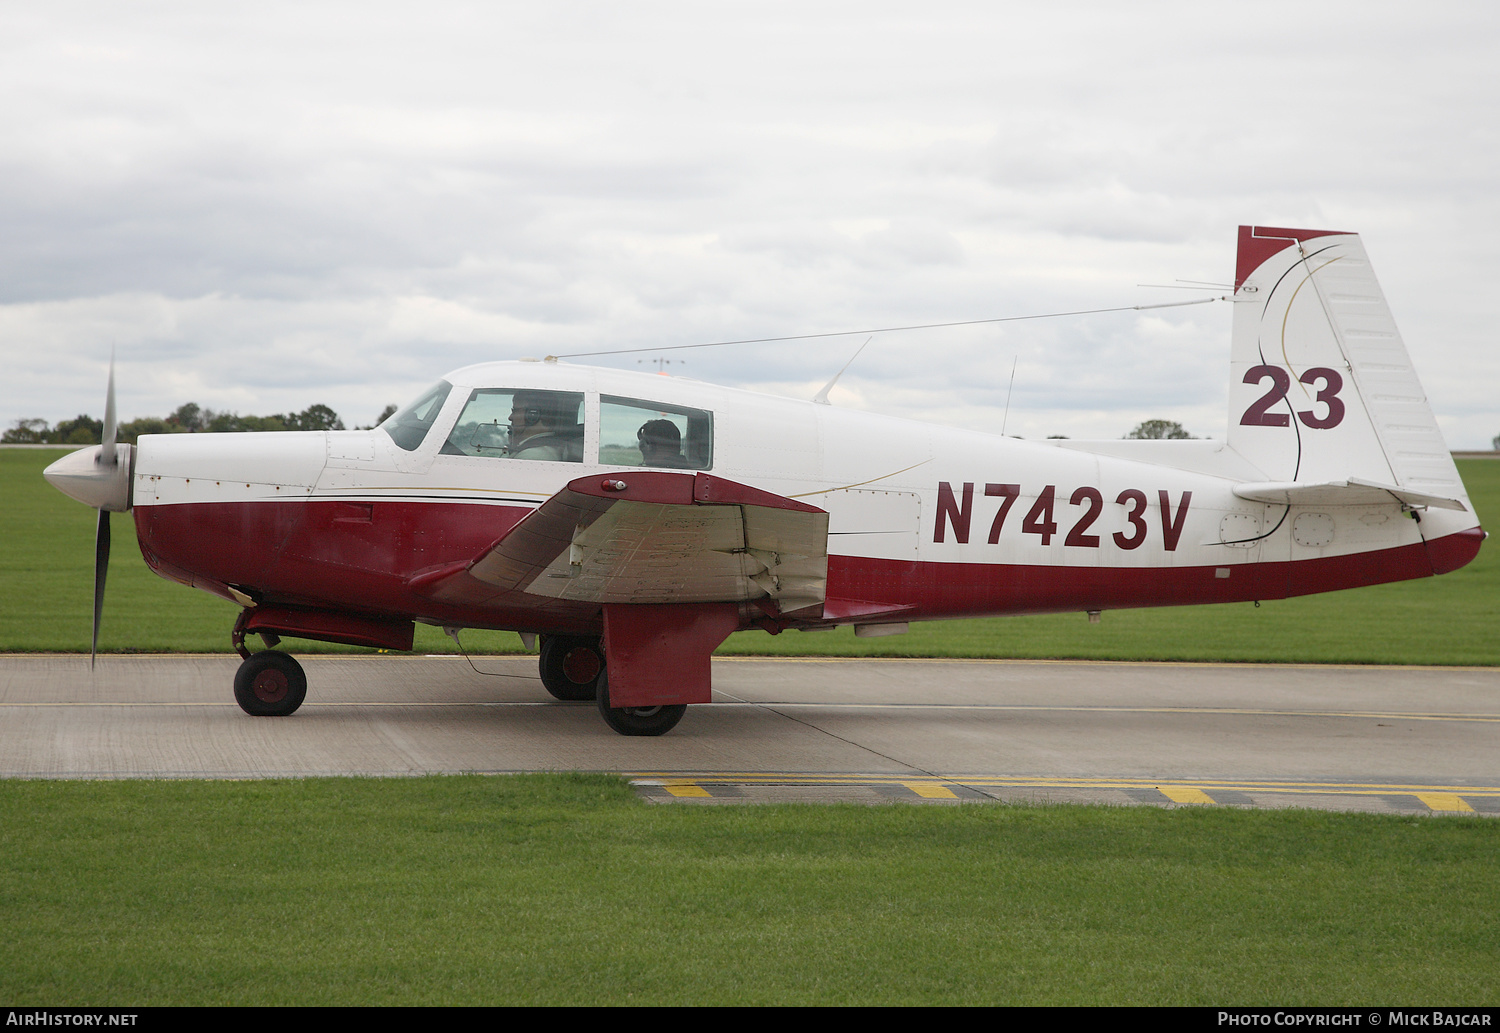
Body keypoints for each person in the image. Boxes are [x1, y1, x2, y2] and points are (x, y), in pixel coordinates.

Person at [508, 392, 576, 461]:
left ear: (532, 415)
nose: (510, 417)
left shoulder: (531, 455)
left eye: (515, 411)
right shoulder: (542, 448)